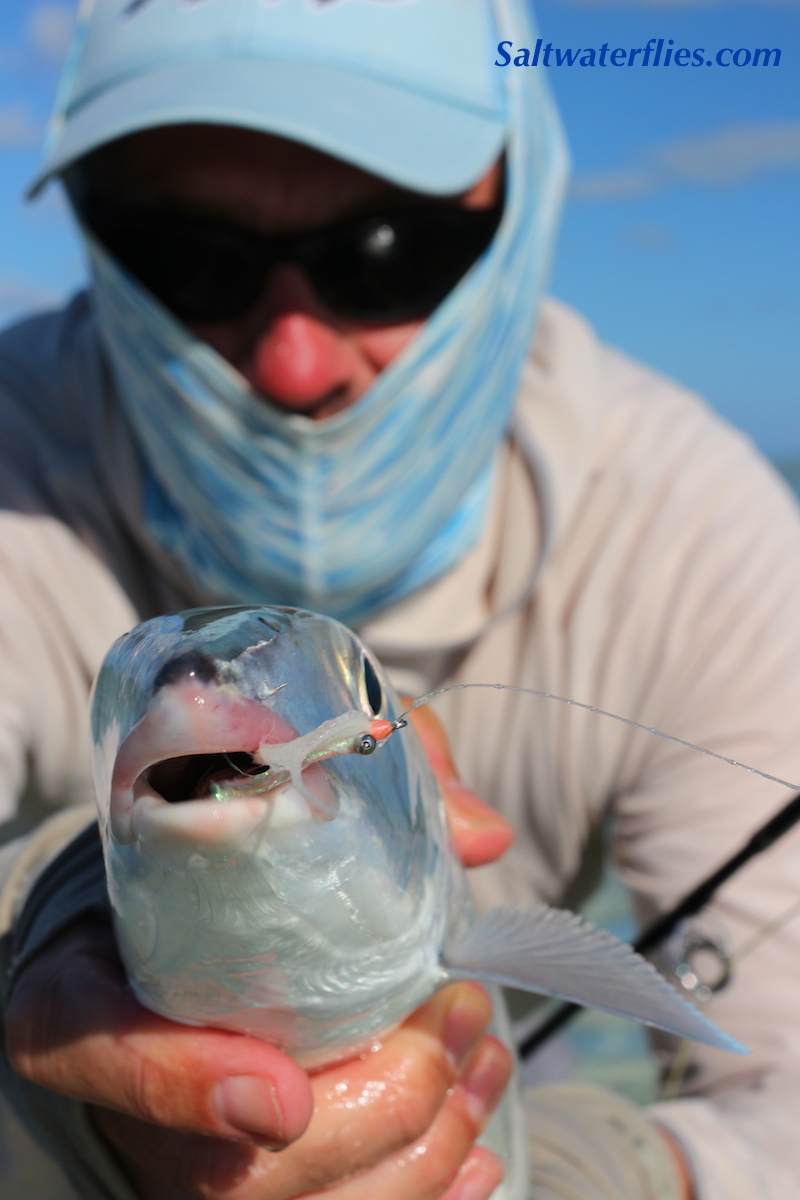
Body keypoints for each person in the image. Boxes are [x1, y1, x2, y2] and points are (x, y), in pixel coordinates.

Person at [2, 1, 800, 1198]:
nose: (292, 360)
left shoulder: (697, 538)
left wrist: (596, 1169)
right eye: (189, 258)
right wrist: (37, 942)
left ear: (518, 214)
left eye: (387, 252)